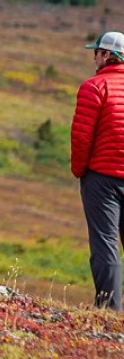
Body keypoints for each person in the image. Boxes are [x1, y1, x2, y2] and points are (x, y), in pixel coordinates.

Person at [71, 31, 124, 310]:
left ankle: (110, 311)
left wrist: (80, 171)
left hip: (102, 179)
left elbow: (82, 137)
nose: (94, 57)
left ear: (107, 55)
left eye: (97, 52)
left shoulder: (94, 86)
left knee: (105, 245)